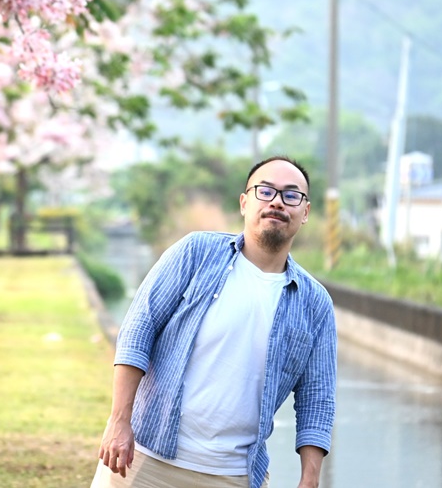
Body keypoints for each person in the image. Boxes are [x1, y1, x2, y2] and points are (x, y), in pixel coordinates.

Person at [92, 156, 337, 488]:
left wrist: (310, 479)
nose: (277, 202)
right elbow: (139, 329)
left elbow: (317, 395)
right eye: (265, 191)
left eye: (292, 195)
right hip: (145, 459)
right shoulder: (195, 253)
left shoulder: (314, 302)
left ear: (305, 212)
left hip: (234, 474)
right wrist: (119, 421)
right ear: (244, 202)